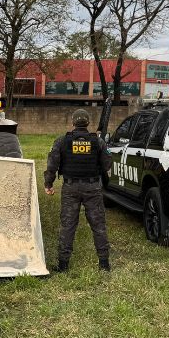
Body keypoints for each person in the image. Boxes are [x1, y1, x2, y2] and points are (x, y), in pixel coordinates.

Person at [44, 109, 113, 272]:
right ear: (88, 123)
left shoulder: (62, 141)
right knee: (98, 225)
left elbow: (52, 165)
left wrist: (48, 184)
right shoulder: (99, 142)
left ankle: (63, 265)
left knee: (68, 225)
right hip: (92, 188)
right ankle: (104, 264)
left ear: (73, 122)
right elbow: (107, 164)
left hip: (70, 188)